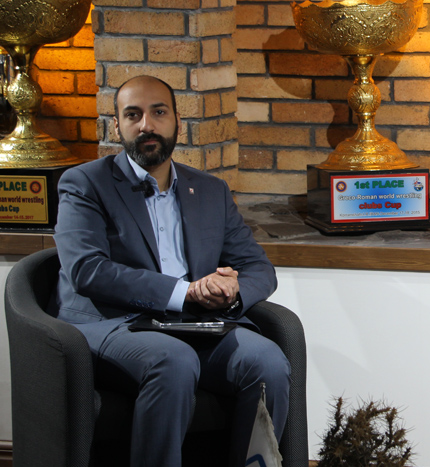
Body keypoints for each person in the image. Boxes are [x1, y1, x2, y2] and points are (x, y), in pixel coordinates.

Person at [51, 75, 290, 467]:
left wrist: (231, 292)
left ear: (178, 121)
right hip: (113, 323)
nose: (147, 125)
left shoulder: (210, 190)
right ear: (117, 127)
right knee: (173, 360)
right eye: (133, 115)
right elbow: (87, 270)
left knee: (268, 362)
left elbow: (258, 268)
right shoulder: (85, 183)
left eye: (158, 112)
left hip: (197, 323)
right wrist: (186, 292)